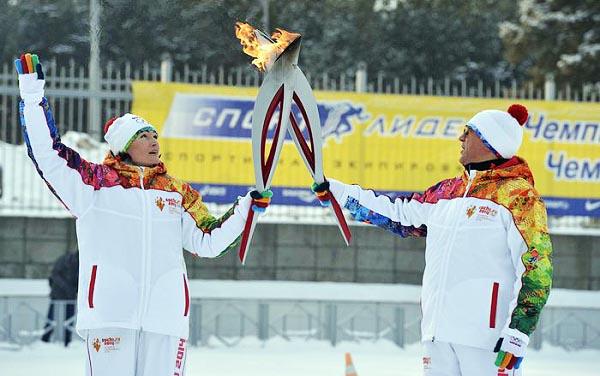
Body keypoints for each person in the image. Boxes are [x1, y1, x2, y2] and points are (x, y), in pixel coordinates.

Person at [16, 53, 271, 376]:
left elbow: (209, 240)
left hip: (166, 318)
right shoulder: (93, 184)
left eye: (154, 135)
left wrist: (248, 209)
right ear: (124, 146)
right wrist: (32, 94)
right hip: (110, 315)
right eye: (143, 136)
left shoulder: (176, 192)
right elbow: (48, 154)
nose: (153, 142)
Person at [313, 104, 553, 375]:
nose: (460, 139)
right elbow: (399, 214)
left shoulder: (518, 197)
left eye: (468, 132)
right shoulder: (447, 191)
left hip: (488, 341)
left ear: (489, 141)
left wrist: (517, 333)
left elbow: (536, 268)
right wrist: (341, 193)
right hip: (437, 334)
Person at [41, 251, 79, 346]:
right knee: (52, 318)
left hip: (70, 296)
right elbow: (55, 274)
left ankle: (67, 341)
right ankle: (45, 340)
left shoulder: (81, 263)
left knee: (69, 319)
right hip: (58, 294)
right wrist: (67, 288)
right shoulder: (64, 260)